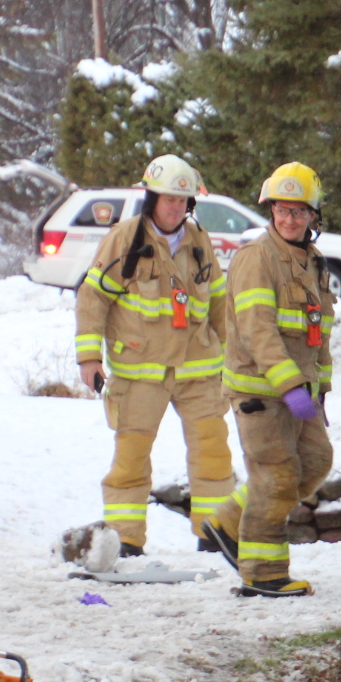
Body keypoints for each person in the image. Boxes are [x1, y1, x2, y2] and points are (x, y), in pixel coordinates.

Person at [74, 155, 233, 554]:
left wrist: (233, 359)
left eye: (182, 200)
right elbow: (93, 297)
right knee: (131, 459)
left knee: (213, 453)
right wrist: (89, 357)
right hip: (140, 372)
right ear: (152, 199)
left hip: (198, 369)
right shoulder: (125, 239)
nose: (175, 207)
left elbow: (218, 302)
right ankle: (126, 539)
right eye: (168, 199)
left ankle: (215, 533)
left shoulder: (198, 241)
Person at [201, 162, 336, 598]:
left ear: (313, 215)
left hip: (300, 392)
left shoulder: (312, 261)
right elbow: (257, 329)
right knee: (276, 479)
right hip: (260, 392)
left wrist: (320, 389)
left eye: (298, 211)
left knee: (315, 462)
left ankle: (228, 521)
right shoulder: (256, 258)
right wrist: (290, 385)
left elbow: (318, 333)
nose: (289, 219)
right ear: (270, 209)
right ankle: (263, 573)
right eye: (281, 209)